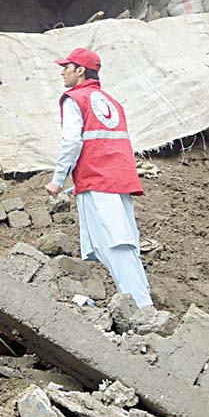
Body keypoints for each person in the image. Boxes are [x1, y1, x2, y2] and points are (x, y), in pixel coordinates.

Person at [45, 47, 153, 308]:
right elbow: (105, 145)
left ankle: (141, 307)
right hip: (119, 181)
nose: (62, 72)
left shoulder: (74, 99)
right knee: (118, 244)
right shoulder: (111, 102)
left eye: (67, 67)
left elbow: (72, 142)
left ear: (80, 71)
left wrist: (58, 180)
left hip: (99, 182)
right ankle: (132, 302)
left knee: (116, 244)